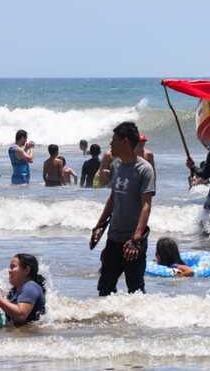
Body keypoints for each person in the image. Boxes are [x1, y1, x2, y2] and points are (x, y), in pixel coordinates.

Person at [91, 122, 155, 296]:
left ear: (125, 141)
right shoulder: (117, 165)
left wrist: (136, 238)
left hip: (132, 241)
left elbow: (146, 205)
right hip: (113, 237)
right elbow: (113, 198)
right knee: (104, 288)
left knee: (135, 290)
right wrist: (99, 226)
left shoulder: (144, 169)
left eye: (114, 140)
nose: (110, 144)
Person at [0, 254, 47, 326]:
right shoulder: (15, 290)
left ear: (27, 270)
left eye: (13, 267)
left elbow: (20, 316)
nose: (9, 271)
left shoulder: (30, 287)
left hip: (29, 332)